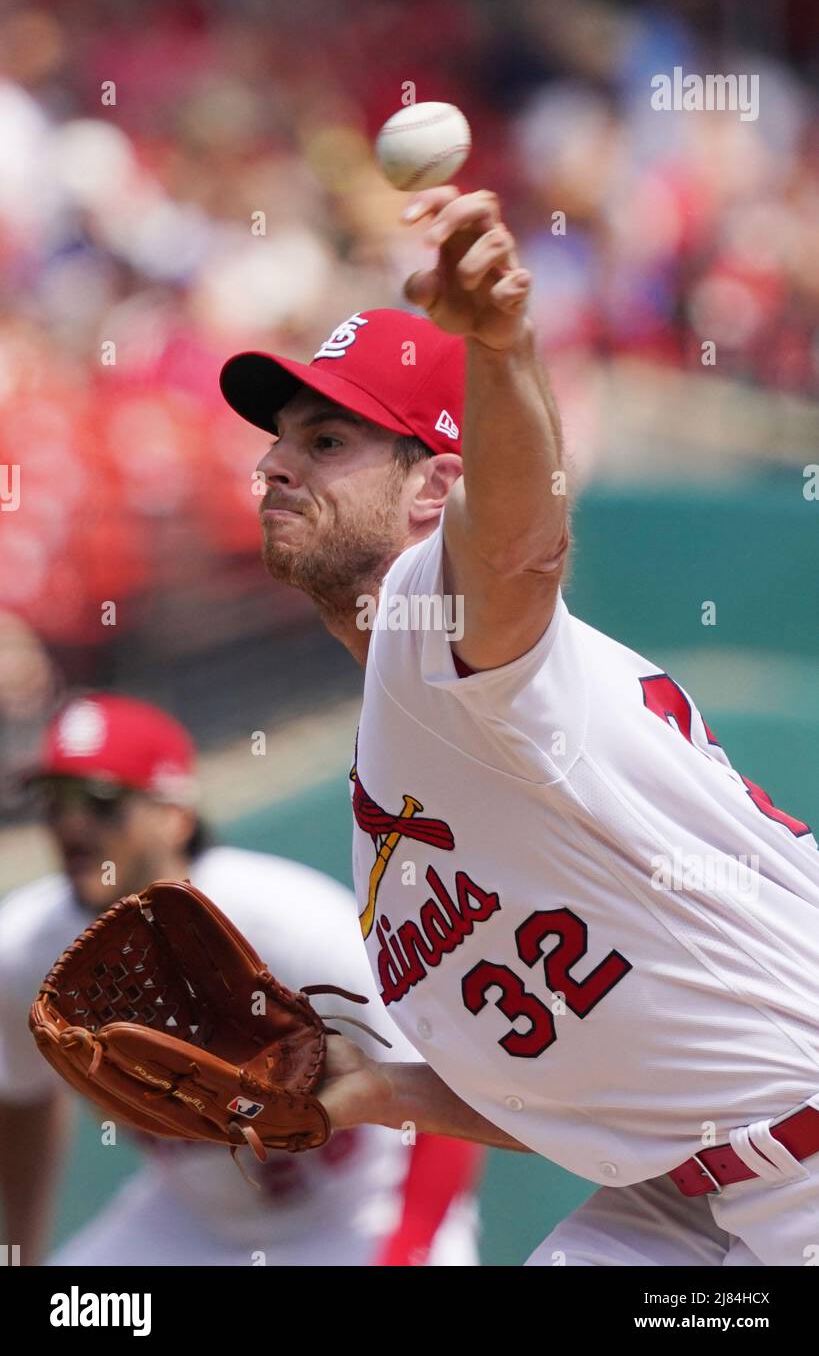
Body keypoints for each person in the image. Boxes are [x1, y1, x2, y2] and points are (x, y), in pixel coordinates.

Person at [219, 184, 819, 1267]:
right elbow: (583, 1098)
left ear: (435, 487)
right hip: (681, 1190)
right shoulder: (397, 778)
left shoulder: (436, 619)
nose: (274, 463)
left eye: (326, 438)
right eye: (279, 441)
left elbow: (518, 547)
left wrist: (501, 347)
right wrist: (375, 1087)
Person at [0, 692, 481, 1266]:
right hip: (196, 1230)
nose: (71, 824)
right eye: (53, 802)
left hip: (357, 1214)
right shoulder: (28, 951)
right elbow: (20, 1092)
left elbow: (443, 1081)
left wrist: (409, 1248)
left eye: (101, 802)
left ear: (175, 814)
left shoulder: (287, 921)